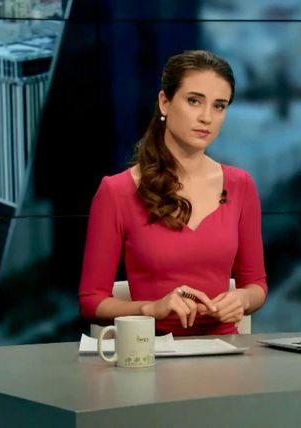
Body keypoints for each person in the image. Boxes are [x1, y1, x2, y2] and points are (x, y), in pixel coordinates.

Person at [79, 50, 267, 335]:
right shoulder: (116, 192)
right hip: (151, 351)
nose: (207, 117)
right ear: (164, 102)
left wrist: (242, 299)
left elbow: (257, 285)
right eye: (194, 101)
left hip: (225, 351)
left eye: (219, 106)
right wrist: (150, 309)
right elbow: (92, 302)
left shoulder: (241, 185)